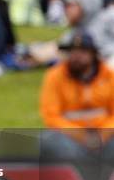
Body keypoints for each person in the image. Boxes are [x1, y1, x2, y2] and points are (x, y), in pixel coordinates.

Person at [40, 32, 114, 162]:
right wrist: (82, 136)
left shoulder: (109, 76)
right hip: (70, 136)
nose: (76, 57)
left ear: (93, 54)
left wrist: (102, 136)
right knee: (47, 140)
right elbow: (51, 116)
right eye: (73, 52)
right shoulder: (54, 77)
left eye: (82, 52)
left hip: (104, 135)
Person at [62, 0, 114, 69]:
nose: (66, 10)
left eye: (70, 5)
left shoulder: (108, 17)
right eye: (65, 5)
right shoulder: (76, 31)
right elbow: (59, 48)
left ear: (86, 4)